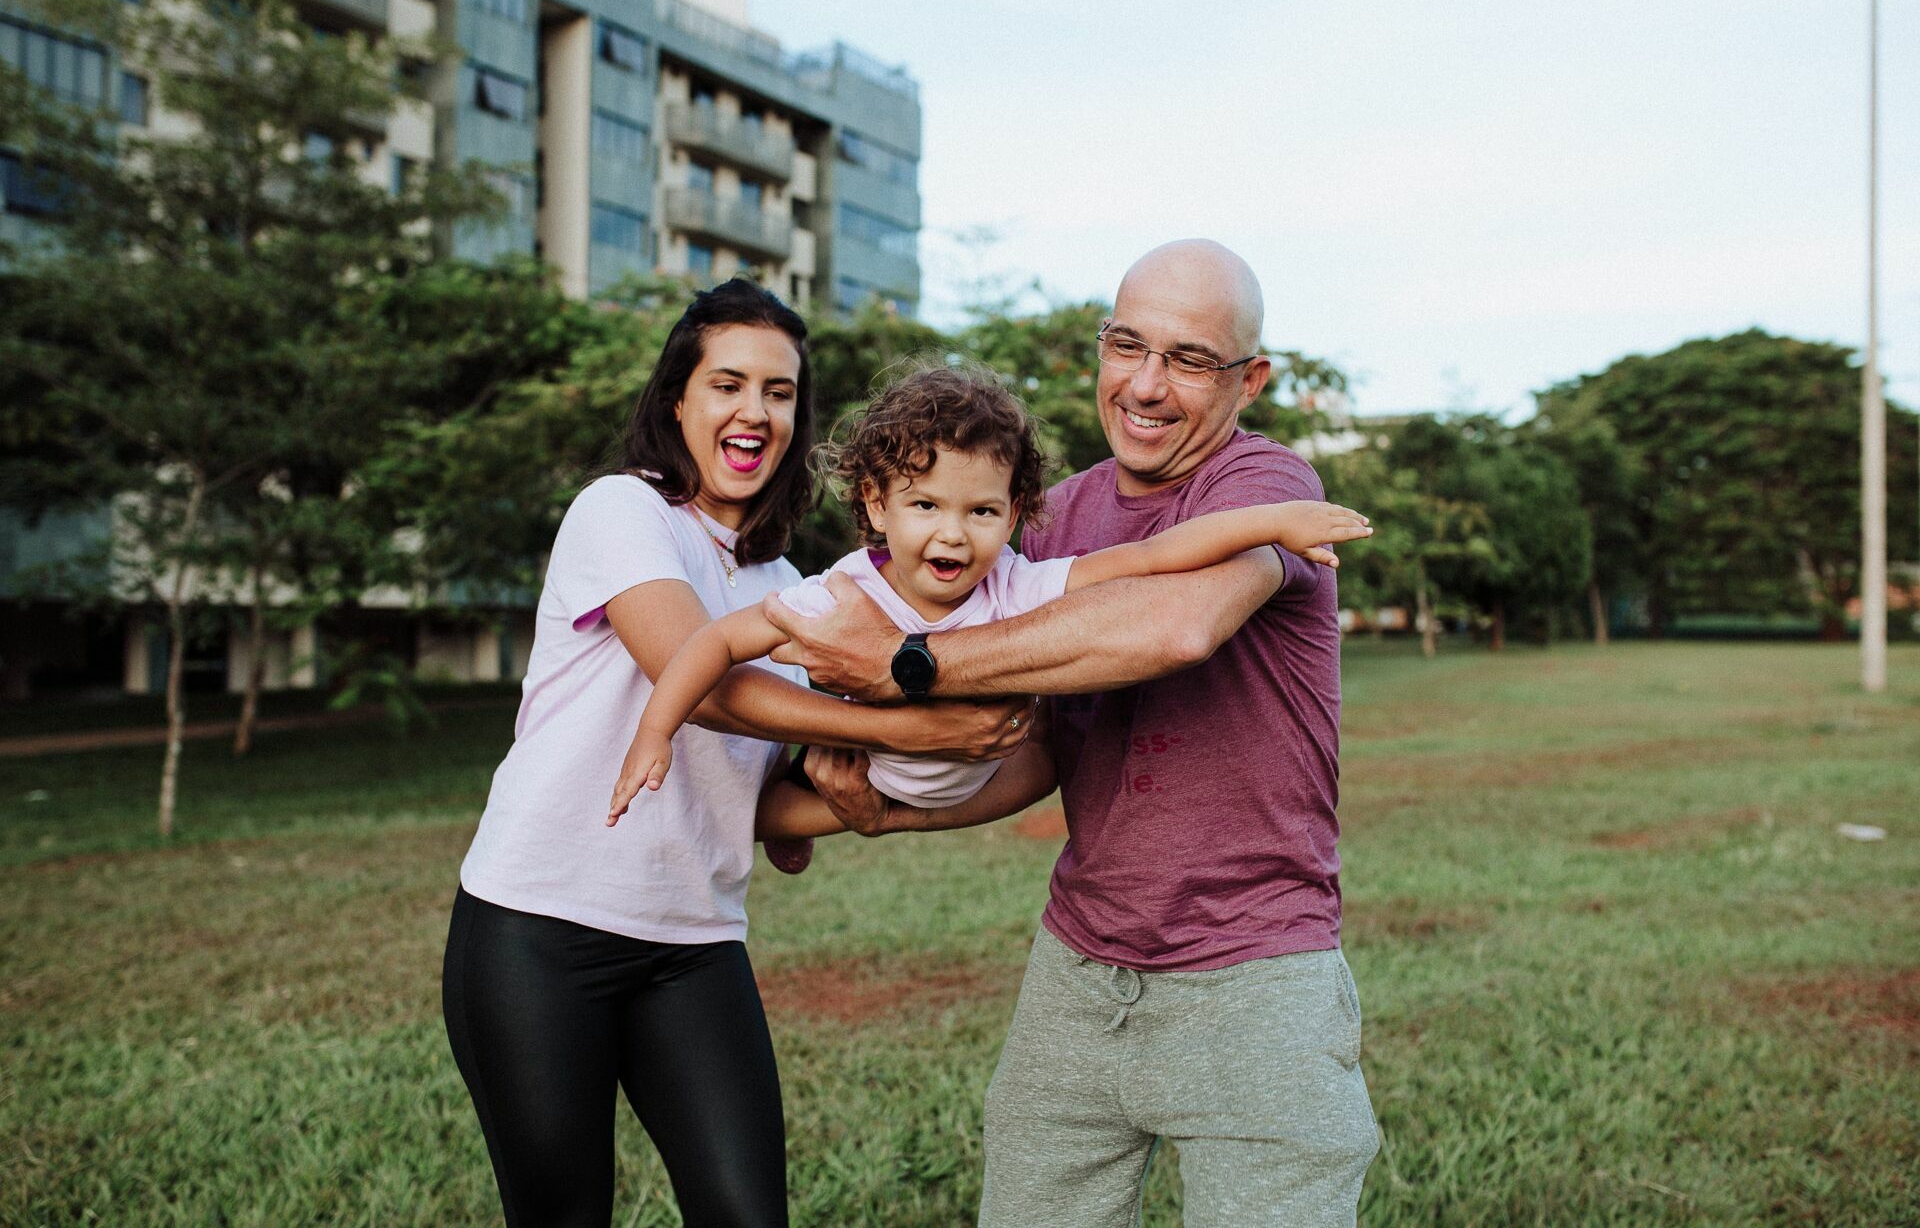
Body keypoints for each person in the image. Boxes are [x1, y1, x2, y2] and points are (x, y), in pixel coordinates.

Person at [764, 241, 1382, 1227]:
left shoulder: (1266, 486)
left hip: (1255, 972)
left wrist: (901, 659)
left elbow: (1177, 623)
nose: (1144, 384)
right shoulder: (1053, 516)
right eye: (1126, 344)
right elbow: (1043, 748)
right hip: (1080, 963)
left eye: (1187, 359)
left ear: (1250, 379)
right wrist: (871, 814)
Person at [439, 279, 1029, 1228]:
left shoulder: (792, 584)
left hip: (693, 946)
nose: (756, 410)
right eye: (728, 384)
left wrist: (867, 806)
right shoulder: (622, 511)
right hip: (538, 929)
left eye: (781, 392)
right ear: (679, 398)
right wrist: (911, 723)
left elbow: (763, 801)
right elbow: (703, 686)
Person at [606, 361, 1370, 820]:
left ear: (1016, 515)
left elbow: (1155, 556)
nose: (954, 535)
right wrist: (655, 731)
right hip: (873, 770)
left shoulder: (1019, 583)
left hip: (953, 786)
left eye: (982, 512)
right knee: (785, 804)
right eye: (925, 506)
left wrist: (1272, 520)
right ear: (875, 504)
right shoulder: (842, 597)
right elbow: (717, 642)